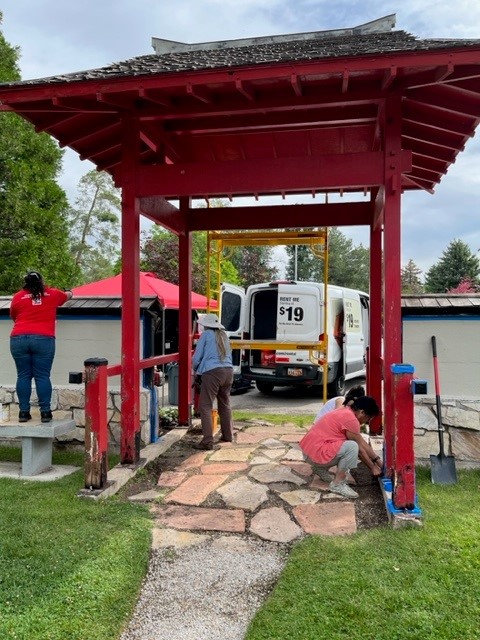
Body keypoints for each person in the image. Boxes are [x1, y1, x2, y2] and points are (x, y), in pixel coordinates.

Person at [10, 271, 73, 423]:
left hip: (18, 338)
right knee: (42, 376)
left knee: (23, 375)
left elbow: (13, 316)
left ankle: (23, 413)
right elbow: (67, 296)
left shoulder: (18, 297)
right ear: (41, 281)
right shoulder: (52, 294)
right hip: (44, 339)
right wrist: (70, 291)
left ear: (25, 282)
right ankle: (45, 413)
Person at [300, 395, 382, 499]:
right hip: (314, 454)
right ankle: (338, 484)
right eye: (368, 418)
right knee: (352, 447)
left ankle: (319, 468)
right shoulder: (351, 420)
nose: (367, 422)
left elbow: (361, 441)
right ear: (362, 412)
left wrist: (377, 460)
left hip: (309, 452)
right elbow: (359, 449)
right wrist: (372, 467)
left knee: (347, 444)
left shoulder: (346, 411)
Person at [192, 313, 234, 450]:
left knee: (205, 406)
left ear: (206, 325)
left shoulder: (206, 335)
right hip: (228, 372)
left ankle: (207, 441)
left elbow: (197, 358)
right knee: (225, 404)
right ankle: (228, 435)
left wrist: (196, 370)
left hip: (212, 372)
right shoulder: (224, 336)